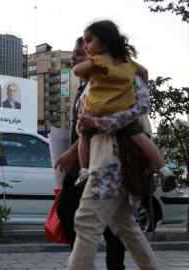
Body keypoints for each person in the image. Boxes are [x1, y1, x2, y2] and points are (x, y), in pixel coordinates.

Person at [65, 20, 158, 270]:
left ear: (105, 43)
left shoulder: (126, 71)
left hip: (113, 155)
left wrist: (101, 122)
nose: (84, 49)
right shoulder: (93, 79)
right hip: (101, 153)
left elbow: (141, 106)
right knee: (125, 226)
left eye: (88, 42)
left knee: (86, 222)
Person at [74, 20, 174, 186]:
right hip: (123, 110)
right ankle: (164, 169)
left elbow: (77, 71)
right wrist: (135, 85)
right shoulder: (126, 60)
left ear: (104, 42)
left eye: (89, 40)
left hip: (97, 111)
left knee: (84, 135)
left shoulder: (97, 60)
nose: (86, 46)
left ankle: (84, 170)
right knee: (141, 139)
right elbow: (144, 72)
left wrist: (91, 66)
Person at [56, 37, 127, 270]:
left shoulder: (99, 82)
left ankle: (95, 263)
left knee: (111, 222)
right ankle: (83, 260)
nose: (74, 57)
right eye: (74, 53)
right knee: (76, 212)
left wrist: (70, 152)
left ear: (92, 57)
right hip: (84, 162)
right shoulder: (82, 86)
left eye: (79, 52)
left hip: (100, 160)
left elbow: (95, 127)